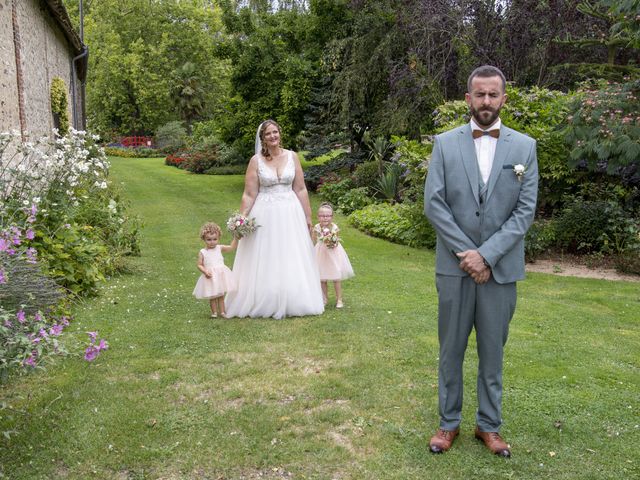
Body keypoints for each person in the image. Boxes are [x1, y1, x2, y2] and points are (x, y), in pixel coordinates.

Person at [423, 65, 538, 457]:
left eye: (493, 94)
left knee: (493, 351)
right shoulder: (444, 143)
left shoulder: (525, 148)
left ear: (504, 98)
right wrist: (468, 255)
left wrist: (487, 256)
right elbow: (434, 204)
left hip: (500, 272)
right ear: (468, 98)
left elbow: (524, 213)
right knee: (450, 349)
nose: (486, 101)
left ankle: (489, 426)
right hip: (454, 269)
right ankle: (447, 423)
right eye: (479, 94)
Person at [225, 120, 324, 319]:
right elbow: (249, 193)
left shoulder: (292, 156)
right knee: (266, 253)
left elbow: (300, 188)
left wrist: (308, 215)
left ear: (280, 134)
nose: (273, 136)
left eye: (275, 132)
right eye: (268, 134)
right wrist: (241, 218)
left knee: (291, 252)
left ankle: (294, 296)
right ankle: (264, 296)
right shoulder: (256, 161)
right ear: (263, 138)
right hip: (265, 212)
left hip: (290, 211)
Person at [312, 202, 354, 308]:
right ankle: (324, 298)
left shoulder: (334, 227)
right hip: (321, 253)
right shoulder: (316, 227)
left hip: (333, 253)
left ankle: (339, 299)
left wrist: (331, 241)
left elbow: (336, 241)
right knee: (322, 278)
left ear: (332, 217)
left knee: (336, 277)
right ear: (318, 217)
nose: (325, 218)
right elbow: (313, 241)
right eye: (322, 216)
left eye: (328, 216)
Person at [193, 222, 238, 318]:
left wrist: (236, 238)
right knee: (212, 295)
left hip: (221, 274)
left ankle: (222, 312)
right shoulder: (203, 252)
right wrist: (205, 271)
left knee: (221, 294)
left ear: (218, 238)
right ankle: (214, 313)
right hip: (211, 276)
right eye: (209, 239)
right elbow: (199, 264)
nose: (212, 242)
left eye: (215, 239)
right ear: (203, 239)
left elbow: (231, 248)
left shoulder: (219, 248)